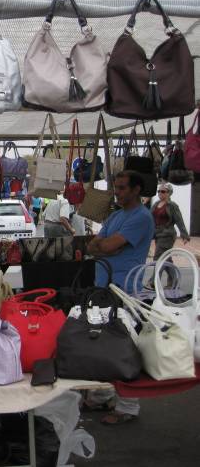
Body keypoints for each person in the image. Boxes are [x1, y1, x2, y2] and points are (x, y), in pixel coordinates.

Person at [85, 170, 155, 425]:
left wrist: (102, 246)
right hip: (105, 286)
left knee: (125, 347)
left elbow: (104, 246)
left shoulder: (141, 218)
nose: (118, 191)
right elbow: (94, 244)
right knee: (104, 344)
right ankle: (103, 394)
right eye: (117, 187)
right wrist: (101, 246)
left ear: (137, 189)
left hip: (126, 289)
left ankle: (127, 406)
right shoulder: (116, 215)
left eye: (123, 188)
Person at [150, 183, 190, 286]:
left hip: (167, 234)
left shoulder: (172, 205)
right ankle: (173, 281)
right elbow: (150, 218)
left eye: (163, 191)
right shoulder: (156, 204)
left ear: (169, 193)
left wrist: (184, 234)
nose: (160, 193)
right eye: (158, 191)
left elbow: (179, 219)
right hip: (158, 234)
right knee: (166, 258)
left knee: (158, 257)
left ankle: (154, 281)